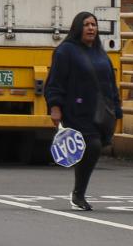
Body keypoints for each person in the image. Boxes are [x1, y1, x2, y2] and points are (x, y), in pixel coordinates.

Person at [46, 11, 123, 211]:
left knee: (95, 146)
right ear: (78, 27)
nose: (91, 28)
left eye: (94, 25)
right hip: (76, 110)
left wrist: (117, 109)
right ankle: (78, 194)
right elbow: (55, 82)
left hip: (100, 111)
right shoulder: (66, 51)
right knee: (93, 145)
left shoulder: (100, 52)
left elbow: (110, 83)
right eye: (86, 24)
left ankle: (78, 191)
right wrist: (55, 107)